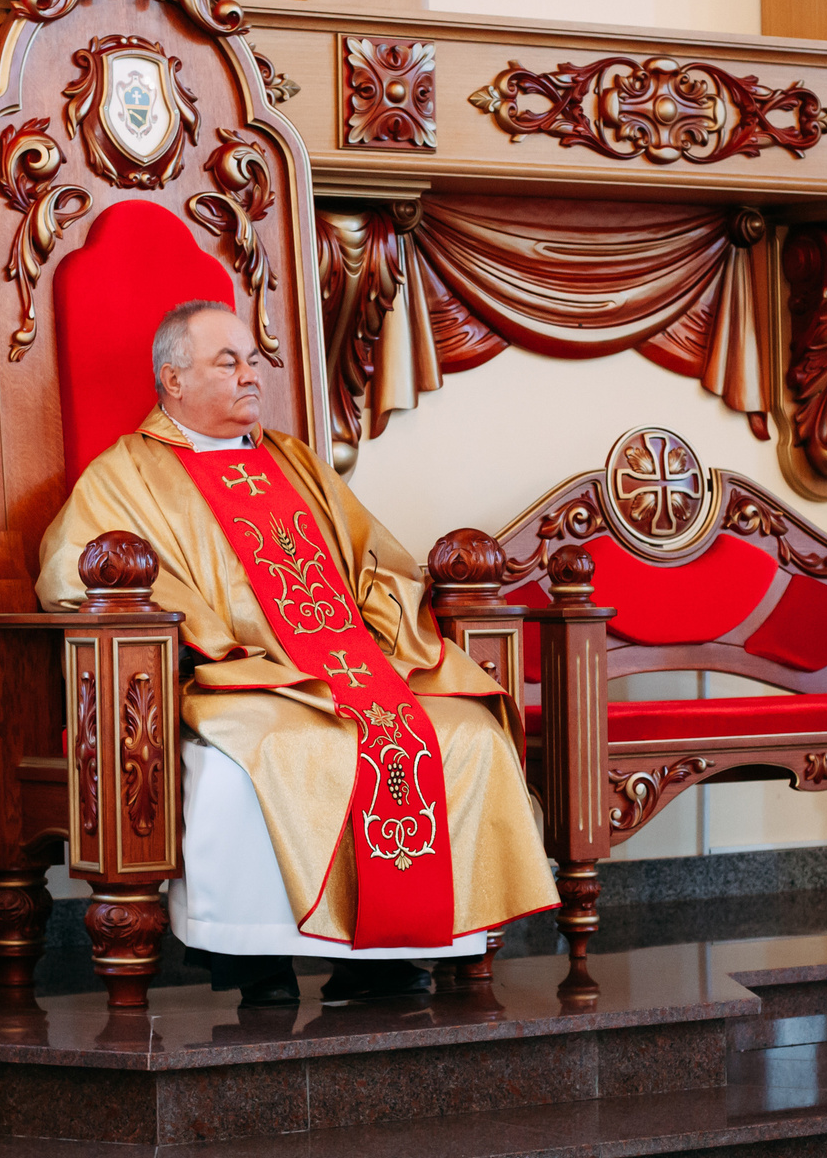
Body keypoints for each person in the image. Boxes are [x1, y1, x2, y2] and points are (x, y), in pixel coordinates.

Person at [37, 301, 557, 1007]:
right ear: (174, 378)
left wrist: (373, 642)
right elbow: (75, 570)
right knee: (261, 756)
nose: (253, 375)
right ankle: (258, 963)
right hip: (234, 676)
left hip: (350, 669)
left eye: (254, 359)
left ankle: (393, 953)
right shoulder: (125, 473)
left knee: (467, 735)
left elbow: (378, 560)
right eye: (230, 361)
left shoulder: (294, 460)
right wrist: (216, 648)